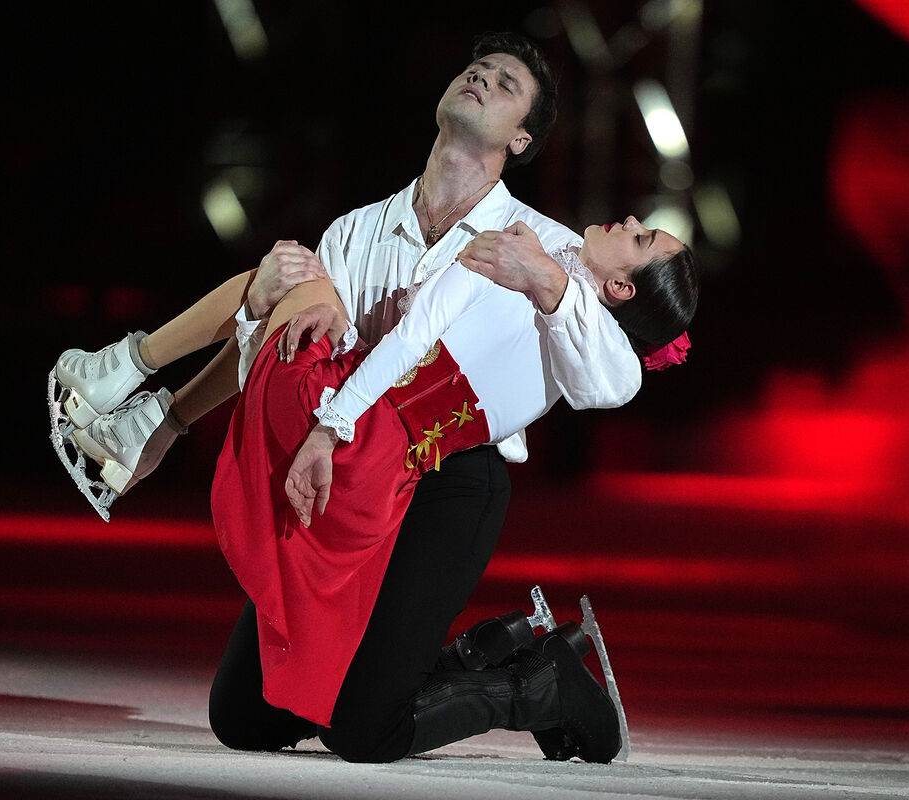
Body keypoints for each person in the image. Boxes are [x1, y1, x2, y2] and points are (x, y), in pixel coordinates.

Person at [50, 32, 695, 762]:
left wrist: (544, 281)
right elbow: (288, 355)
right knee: (246, 718)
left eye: (506, 82)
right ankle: (473, 655)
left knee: (366, 730)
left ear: (521, 139)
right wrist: (189, 413)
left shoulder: (542, 245)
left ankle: (539, 685)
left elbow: (613, 374)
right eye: (477, 67)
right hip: (348, 454)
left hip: (450, 482)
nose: (482, 78)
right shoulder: (356, 232)